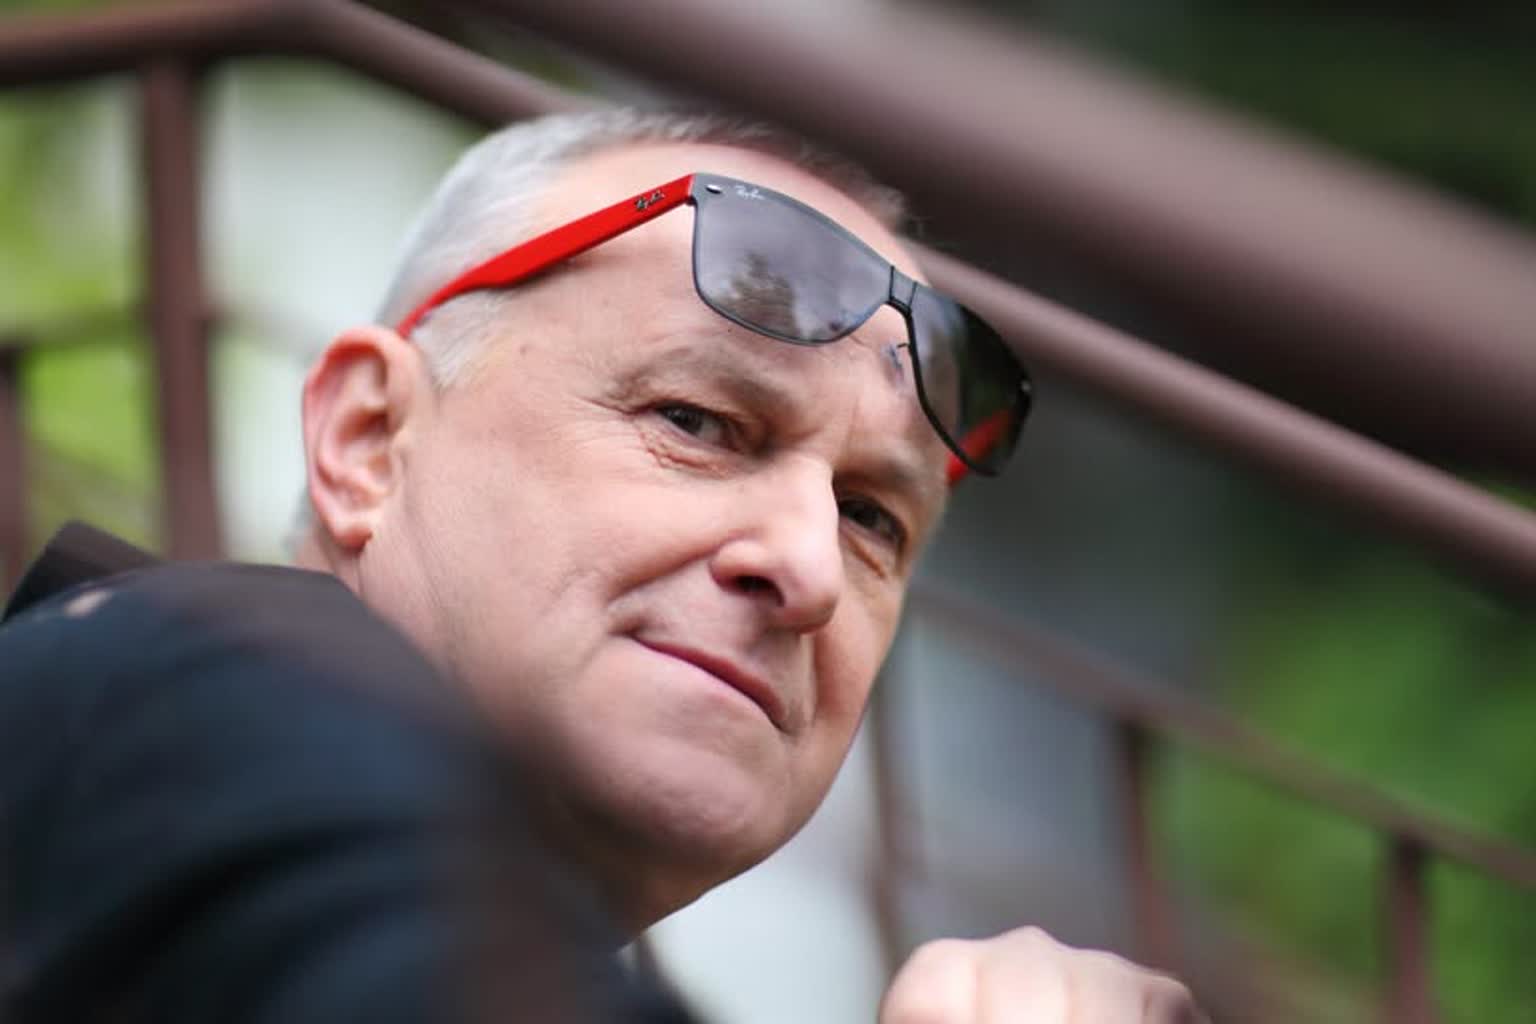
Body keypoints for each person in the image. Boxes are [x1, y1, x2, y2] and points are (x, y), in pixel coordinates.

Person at [1, 108, 1202, 1022]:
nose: (809, 568)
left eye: (870, 518)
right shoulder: (217, 701)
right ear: (368, 441)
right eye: (697, 421)